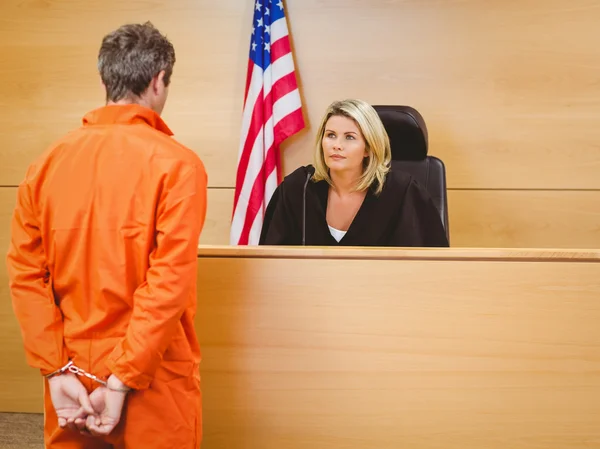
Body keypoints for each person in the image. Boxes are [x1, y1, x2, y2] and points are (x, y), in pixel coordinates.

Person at [5, 22, 207, 449]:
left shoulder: (44, 165)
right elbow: (167, 285)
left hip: (71, 378)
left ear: (104, 80)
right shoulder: (179, 166)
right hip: (153, 377)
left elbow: (25, 278)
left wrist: (55, 370)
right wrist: (121, 380)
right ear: (158, 81)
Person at [259, 99, 449, 247]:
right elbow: (270, 263)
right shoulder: (297, 189)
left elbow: (430, 267)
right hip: (310, 295)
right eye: (330, 135)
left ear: (368, 148)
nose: (337, 145)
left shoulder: (404, 193)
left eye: (349, 137)